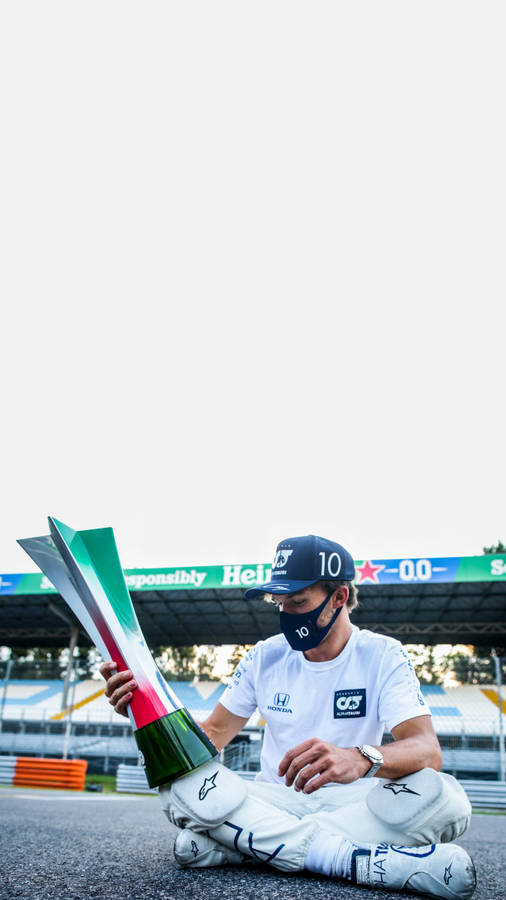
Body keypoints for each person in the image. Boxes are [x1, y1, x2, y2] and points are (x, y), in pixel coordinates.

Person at [101, 534, 476, 899]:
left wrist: (360, 759)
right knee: (178, 783)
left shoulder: (383, 654)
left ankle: (242, 846)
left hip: (355, 806)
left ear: (339, 597)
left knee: (447, 798)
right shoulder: (264, 655)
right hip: (272, 799)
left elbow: (427, 750)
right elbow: (213, 733)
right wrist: (142, 710)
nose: (285, 614)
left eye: (297, 602)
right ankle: (345, 858)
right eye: (278, 603)